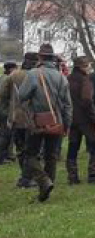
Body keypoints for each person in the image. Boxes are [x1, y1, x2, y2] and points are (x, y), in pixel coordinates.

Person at [19, 44, 72, 202]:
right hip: (57, 122)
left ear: (40, 57)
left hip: (37, 122)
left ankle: (44, 181)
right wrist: (67, 125)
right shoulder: (61, 77)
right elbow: (68, 105)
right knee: (51, 156)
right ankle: (46, 189)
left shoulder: (33, 74)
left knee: (30, 155)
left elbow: (22, 95)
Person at [66, 56, 95, 185]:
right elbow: (87, 100)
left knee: (73, 147)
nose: (89, 67)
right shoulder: (85, 80)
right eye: (87, 65)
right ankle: (93, 175)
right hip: (86, 119)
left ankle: (72, 177)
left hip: (72, 118)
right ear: (82, 67)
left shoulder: (68, 79)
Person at [0, 53, 38, 188]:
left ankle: (24, 176)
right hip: (34, 118)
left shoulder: (13, 76)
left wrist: (9, 111)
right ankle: (28, 177)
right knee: (33, 150)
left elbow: (3, 95)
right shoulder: (38, 75)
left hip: (16, 118)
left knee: (21, 148)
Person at [0, 61, 18, 164]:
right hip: (5, 111)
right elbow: (11, 98)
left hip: (3, 110)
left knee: (5, 135)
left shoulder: (2, 78)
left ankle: (7, 155)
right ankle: (4, 157)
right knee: (6, 136)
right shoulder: (9, 79)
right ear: (11, 69)